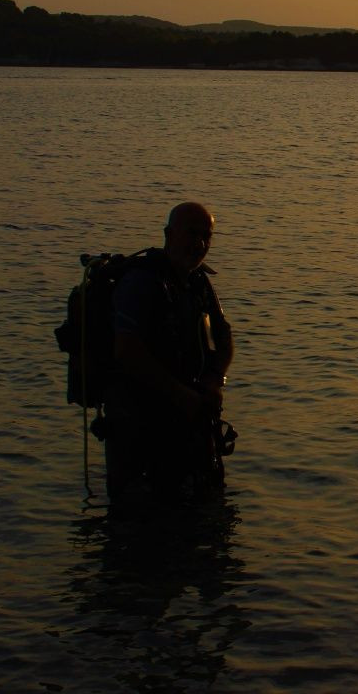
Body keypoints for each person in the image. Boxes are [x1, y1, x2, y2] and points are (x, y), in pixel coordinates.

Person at [104, 202, 234, 503]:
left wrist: (215, 380)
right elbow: (126, 351)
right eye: (192, 234)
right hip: (140, 423)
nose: (199, 244)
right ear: (169, 234)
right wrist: (179, 394)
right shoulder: (141, 282)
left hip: (190, 417)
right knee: (142, 512)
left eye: (206, 236)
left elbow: (224, 337)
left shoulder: (199, 282)